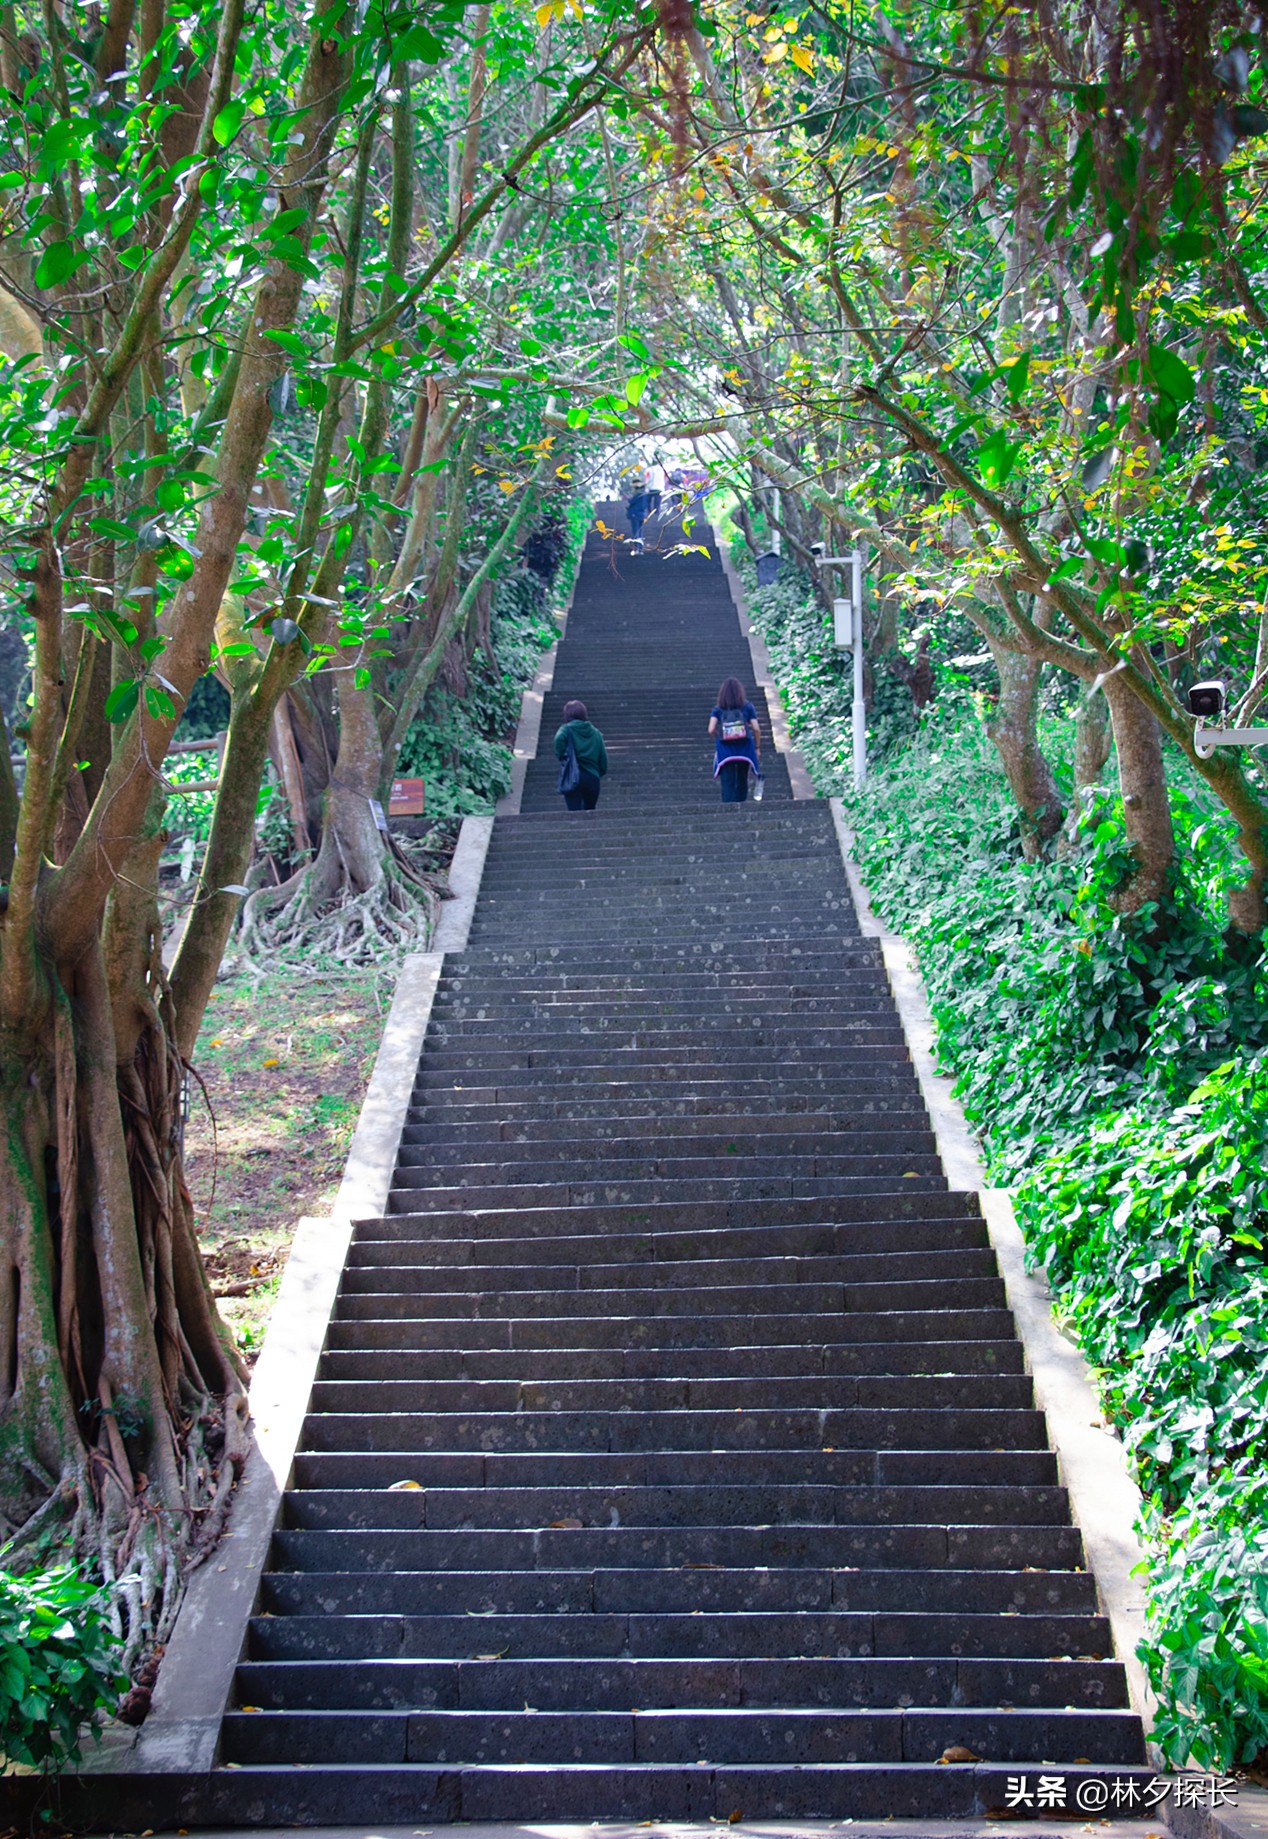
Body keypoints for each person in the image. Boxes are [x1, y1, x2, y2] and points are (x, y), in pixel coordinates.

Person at [709, 677, 761, 803]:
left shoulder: (718, 709)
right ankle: (741, 807)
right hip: (745, 748)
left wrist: (719, 738)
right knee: (742, 778)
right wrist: (757, 748)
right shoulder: (748, 707)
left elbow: (710, 729)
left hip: (726, 749)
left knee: (728, 780)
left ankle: (728, 810)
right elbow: (756, 729)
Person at [554, 699, 608, 811]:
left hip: (572, 775)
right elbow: (603, 760)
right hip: (592, 777)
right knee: (590, 812)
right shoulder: (596, 733)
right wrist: (598, 773)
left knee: (574, 815)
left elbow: (558, 739)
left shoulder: (566, 729)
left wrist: (562, 756)